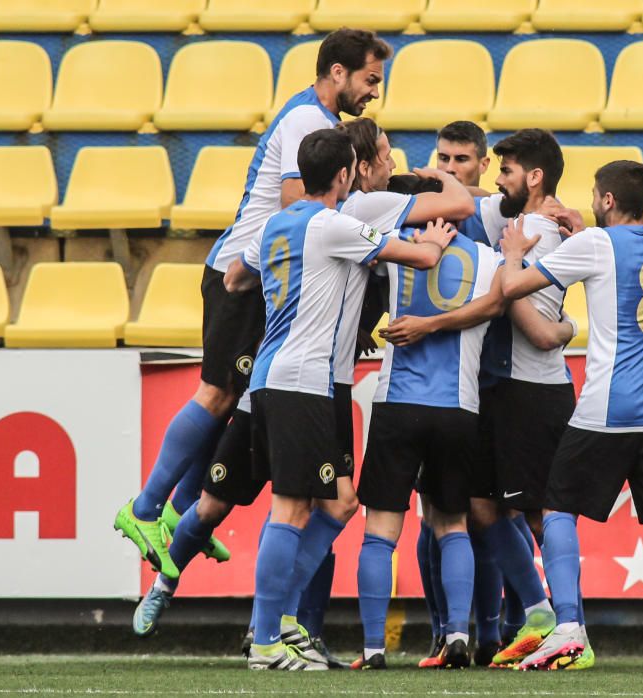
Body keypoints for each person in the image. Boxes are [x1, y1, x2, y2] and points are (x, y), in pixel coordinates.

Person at [125, 28, 392, 649]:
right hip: (278, 353)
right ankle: (152, 524)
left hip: (311, 374)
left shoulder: (350, 194)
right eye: (371, 80)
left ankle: (275, 625)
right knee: (223, 413)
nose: (374, 93)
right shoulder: (315, 148)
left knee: (322, 504)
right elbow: (294, 213)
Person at [223, 129, 455, 671]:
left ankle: (276, 622)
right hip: (302, 379)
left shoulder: (275, 225)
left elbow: (235, 279)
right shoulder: (333, 226)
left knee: (338, 504)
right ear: (346, 175)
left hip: (276, 376)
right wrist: (438, 243)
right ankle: (265, 641)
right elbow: (418, 257)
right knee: (293, 506)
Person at [385, 129, 577, 669]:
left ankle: (554, 623)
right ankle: (499, 625)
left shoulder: (520, 225)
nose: (457, 168)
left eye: (466, 161)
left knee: (529, 514)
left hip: (517, 388)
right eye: (443, 159)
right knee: (468, 510)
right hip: (478, 388)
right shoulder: (485, 217)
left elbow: (519, 313)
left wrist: (434, 323)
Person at [498, 160, 643, 672]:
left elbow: (515, 289)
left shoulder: (592, 245)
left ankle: (567, 628)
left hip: (607, 408)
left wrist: (513, 255)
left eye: (593, 194)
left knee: (558, 508)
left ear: (607, 200)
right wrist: (588, 239)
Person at [351, 212, 505, 671]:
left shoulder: (398, 244)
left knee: (380, 534)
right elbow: (505, 303)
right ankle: (458, 635)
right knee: (452, 525)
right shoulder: (488, 257)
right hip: (458, 406)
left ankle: (373, 648)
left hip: (397, 402)